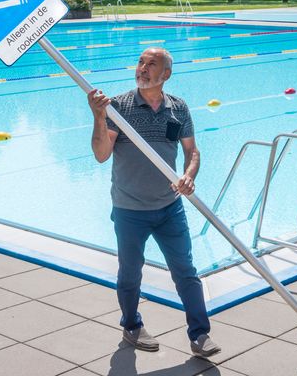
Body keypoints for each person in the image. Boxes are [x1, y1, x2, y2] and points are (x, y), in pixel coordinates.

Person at [88, 47, 221, 359]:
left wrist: (188, 176)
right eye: (140, 62)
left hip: (169, 207)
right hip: (130, 209)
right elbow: (101, 154)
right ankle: (131, 325)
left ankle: (200, 334)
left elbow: (192, 151)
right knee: (130, 272)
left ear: (166, 74)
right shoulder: (118, 106)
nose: (143, 68)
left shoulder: (179, 108)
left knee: (185, 271)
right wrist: (98, 116)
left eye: (151, 64)